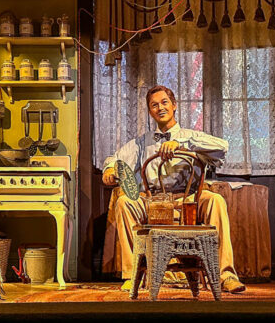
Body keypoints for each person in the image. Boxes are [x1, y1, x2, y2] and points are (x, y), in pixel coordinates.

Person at [101, 84, 246, 294]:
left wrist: (180, 142)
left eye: (164, 102)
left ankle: (225, 275)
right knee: (124, 202)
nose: (160, 108)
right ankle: (133, 276)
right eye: (154, 105)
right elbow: (115, 159)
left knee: (216, 200)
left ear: (174, 105)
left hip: (188, 200)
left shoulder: (191, 136)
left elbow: (222, 147)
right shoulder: (142, 142)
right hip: (154, 202)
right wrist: (110, 168)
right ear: (150, 111)